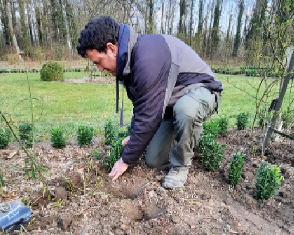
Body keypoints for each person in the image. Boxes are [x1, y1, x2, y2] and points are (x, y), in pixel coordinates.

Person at [76, 15, 223, 189]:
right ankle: (183, 140)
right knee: (154, 160)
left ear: (111, 48)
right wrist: (135, 133)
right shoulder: (127, 65)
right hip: (169, 104)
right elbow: (142, 105)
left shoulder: (147, 57)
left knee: (186, 110)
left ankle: (181, 166)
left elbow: (149, 114)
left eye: (99, 62)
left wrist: (125, 160)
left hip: (202, 91)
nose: (100, 69)